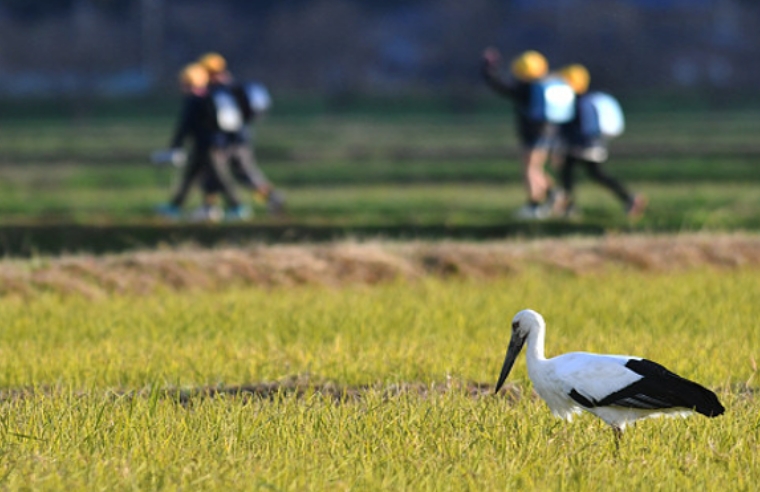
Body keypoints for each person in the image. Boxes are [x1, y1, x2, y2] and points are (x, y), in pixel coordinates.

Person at [197, 52, 285, 217]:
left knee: (215, 174)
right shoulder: (236, 87)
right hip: (241, 139)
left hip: (223, 141)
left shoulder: (217, 91)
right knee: (245, 174)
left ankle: (213, 208)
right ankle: (271, 197)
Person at [554, 64, 647, 219]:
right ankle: (629, 198)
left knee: (568, 174)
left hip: (579, 146)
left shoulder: (574, 103)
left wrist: (560, 147)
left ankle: (569, 208)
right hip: (596, 145)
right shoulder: (590, 99)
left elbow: (570, 128)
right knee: (597, 174)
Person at [156, 63, 245, 220]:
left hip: (207, 147)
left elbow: (184, 126)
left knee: (219, 177)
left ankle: (237, 207)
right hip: (213, 144)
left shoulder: (194, 100)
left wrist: (176, 146)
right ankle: (176, 206)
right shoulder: (211, 97)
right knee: (192, 177)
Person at [482, 48, 562, 219]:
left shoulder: (525, 88)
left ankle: (534, 206)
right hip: (549, 134)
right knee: (537, 168)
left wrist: (488, 69)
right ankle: (553, 193)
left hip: (533, 134)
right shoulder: (549, 84)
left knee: (529, 170)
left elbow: (499, 86)